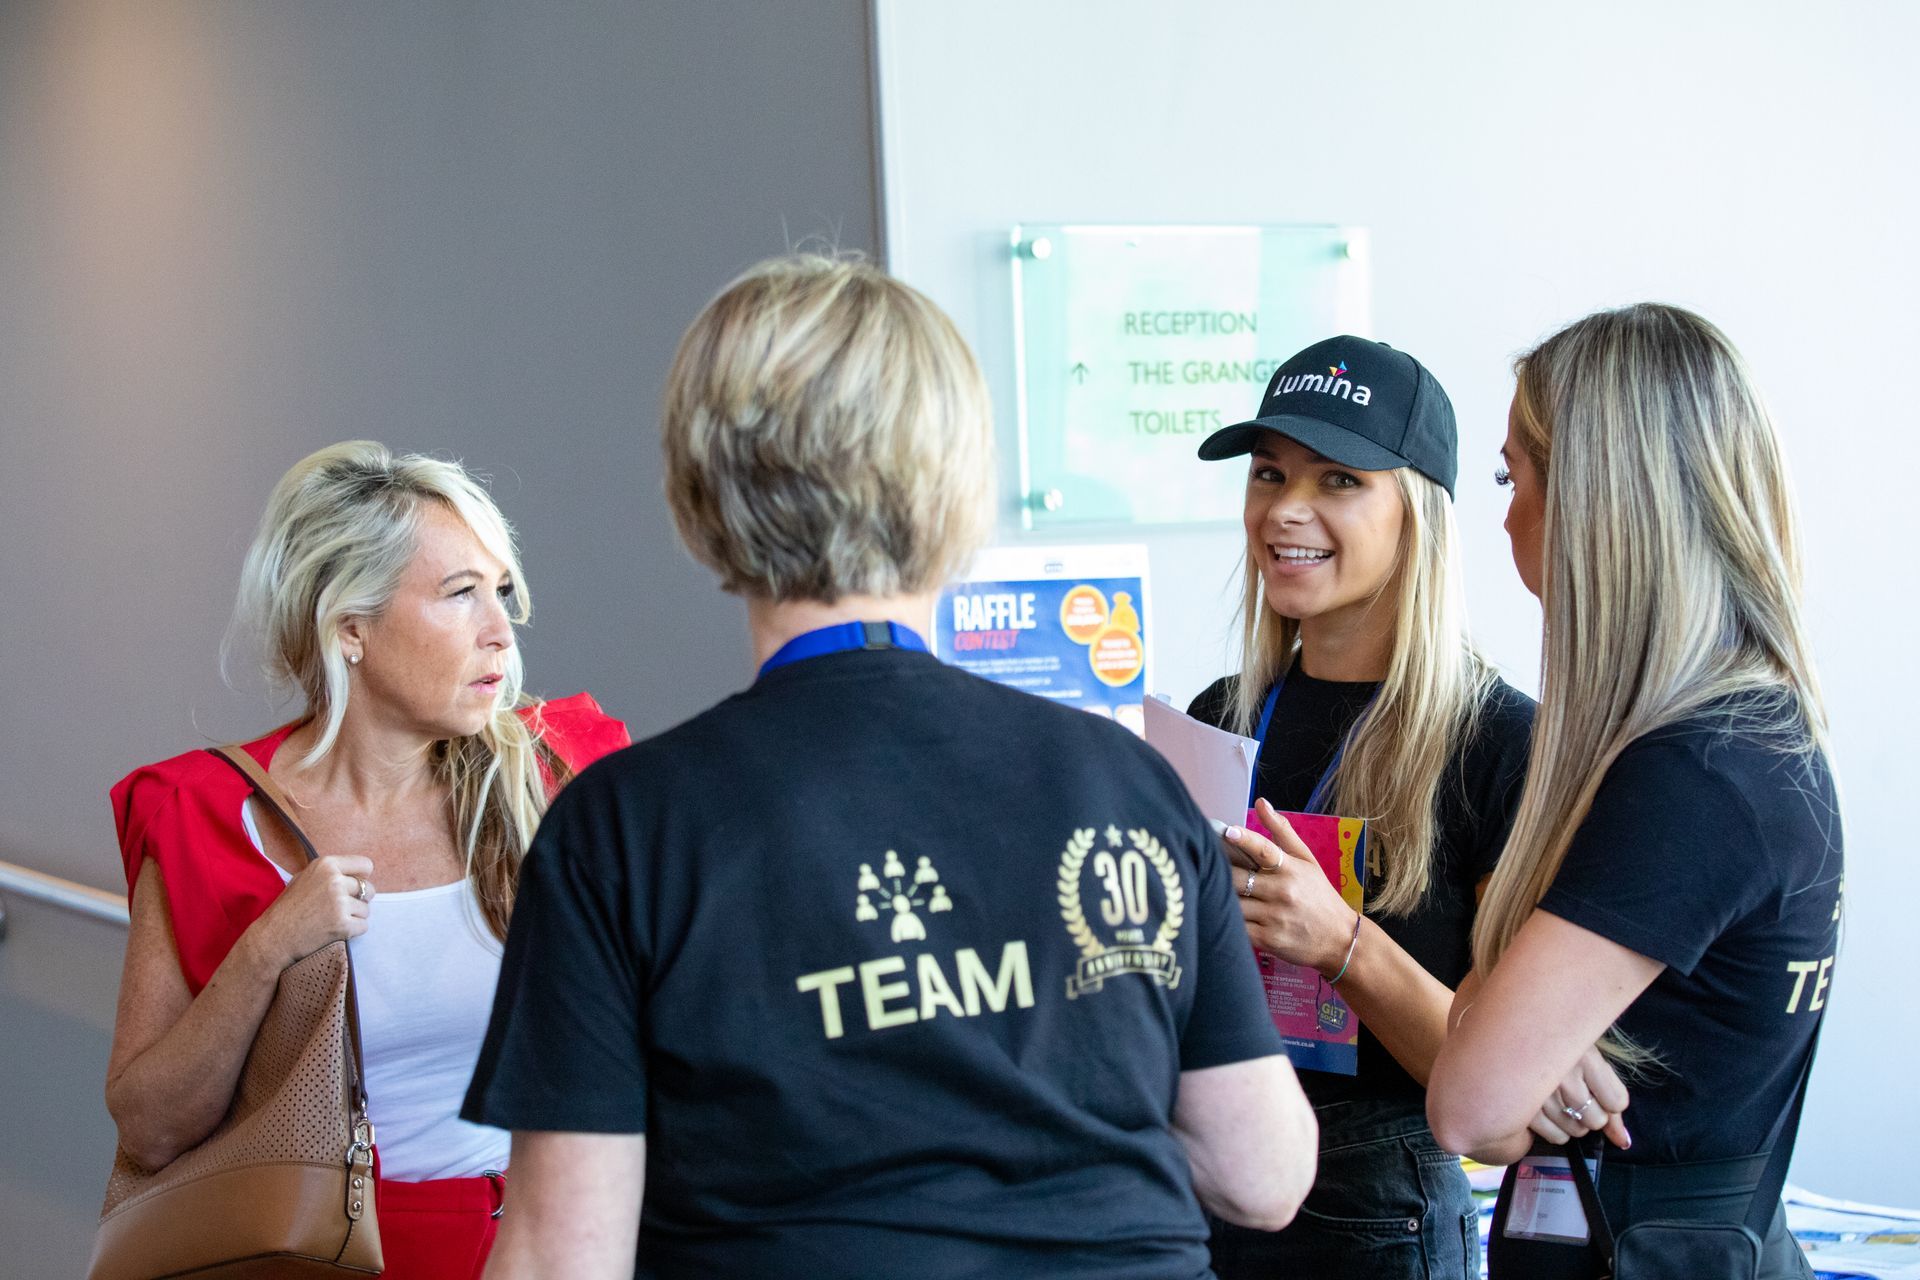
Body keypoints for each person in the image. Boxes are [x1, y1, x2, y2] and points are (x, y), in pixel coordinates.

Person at [463, 255, 1318, 1280]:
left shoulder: (624, 829)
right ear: (959, 487)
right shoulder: (1123, 781)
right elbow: (1264, 1172)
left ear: (699, 495)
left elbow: (564, 1256)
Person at [106, 441, 629, 1280]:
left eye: (501, 591)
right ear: (350, 628)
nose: (501, 630)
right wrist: (269, 949)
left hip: (547, 1242)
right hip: (325, 1251)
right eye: (460, 595)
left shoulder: (553, 777)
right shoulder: (203, 814)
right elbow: (151, 1128)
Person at [1426, 305, 1841, 1280]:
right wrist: (1530, 1029)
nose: (1505, 513)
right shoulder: (1748, 732)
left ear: (1593, 497)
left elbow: (1470, 1107)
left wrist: (1510, 1024)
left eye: (1511, 475)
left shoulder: (1692, 775)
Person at [1186, 336, 1536, 1279]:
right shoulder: (1216, 719)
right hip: (1205, 1189)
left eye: (1339, 479)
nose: (1285, 510)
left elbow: (1505, 1114)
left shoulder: (1501, 741)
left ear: (1416, 514)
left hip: (1378, 1222)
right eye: (1268, 474)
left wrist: (1342, 944)